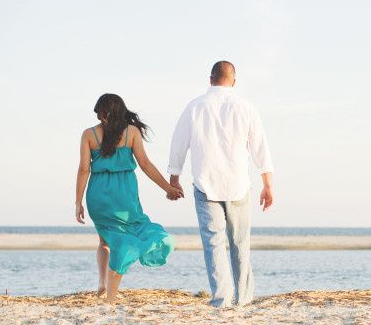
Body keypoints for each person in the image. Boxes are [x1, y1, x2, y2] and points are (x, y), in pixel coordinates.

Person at [168, 61, 274, 308]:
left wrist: (174, 179)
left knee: (213, 242)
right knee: (240, 243)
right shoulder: (246, 108)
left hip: (206, 184)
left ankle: (221, 299)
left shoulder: (194, 107)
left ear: (210, 79)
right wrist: (268, 184)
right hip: (238, 184)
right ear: (233, 82)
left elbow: (178, 144)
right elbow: (261, 149)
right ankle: (244, 298)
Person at [75, 93, 184, 303]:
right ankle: (108, 281)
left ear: (105, 113)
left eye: (100, 114)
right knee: (119, 236)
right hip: (125, 194)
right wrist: (167, 188)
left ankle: (103, 283)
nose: (99, 118)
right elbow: (145, 165)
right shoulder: (131, 132)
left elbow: (83, 170)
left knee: (105, 239)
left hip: (99, 195)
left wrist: (78, 201)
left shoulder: (89, 135)